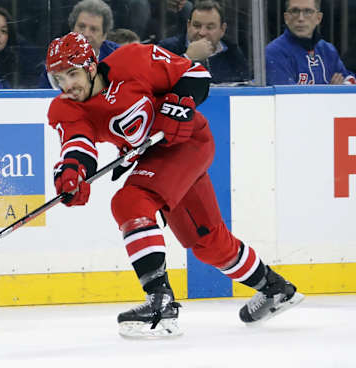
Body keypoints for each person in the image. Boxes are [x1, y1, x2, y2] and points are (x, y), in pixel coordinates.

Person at [45, 32, 304, 338]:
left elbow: (194, 73)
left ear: (91, 66)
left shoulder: (133, 60)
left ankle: (160, 302)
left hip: (188, 142)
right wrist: (72, 174)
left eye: (72, 74)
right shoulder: (65, 107)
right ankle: (274, 288)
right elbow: (78, 146)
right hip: (155, 158)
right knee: (207, 243)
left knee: (130, 201)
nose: (67, 86)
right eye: (58, 78)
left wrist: (178, 103)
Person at [158, 0, 250, 85]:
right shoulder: (166, 49)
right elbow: (154, 83)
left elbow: (246, 87)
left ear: (222, 29)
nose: (202, 33)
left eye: (210, 27)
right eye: (197, 26)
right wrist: (187, 58)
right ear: (188, 25)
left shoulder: (232, 54)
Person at [266, 0, 356, 85]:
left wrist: (343, 86)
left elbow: (349, 79)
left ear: (318, 18)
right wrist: (331, 92)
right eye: (294, 11)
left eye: (308, 11)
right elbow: (287, 98)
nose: (301, 18)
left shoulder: (328, 50)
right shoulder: (274, 52)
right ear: (286, 18)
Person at [37, 0, 119, 89]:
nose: (86, 33)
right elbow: (44, 97)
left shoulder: (120, 57)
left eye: (93, 29)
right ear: (72, 29)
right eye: (81, 26)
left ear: (104, 36)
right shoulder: (56, 58)